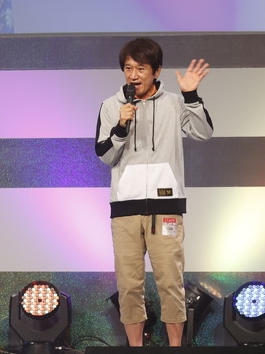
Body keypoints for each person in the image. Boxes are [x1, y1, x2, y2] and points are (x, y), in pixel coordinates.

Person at [95, 37, 213, 347]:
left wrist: (191, 95)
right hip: (125, 208)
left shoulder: (174, 103)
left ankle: (175, 347)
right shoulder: (111, 105)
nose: (133, 75)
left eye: (141, 69)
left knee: (170, 281)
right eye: (128, 68)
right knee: (129, 285)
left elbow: (203, 132)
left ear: (156, 71)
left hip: (166, 207)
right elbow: (105, 155)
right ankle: (136, 348)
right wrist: (121, 126)